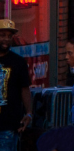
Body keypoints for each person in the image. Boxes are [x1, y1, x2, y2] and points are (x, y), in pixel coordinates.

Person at [0, 20, 31, 151]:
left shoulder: (18, 62)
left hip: (9, 125)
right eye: (3, 35)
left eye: (9, 36)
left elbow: (25, 90)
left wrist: (29, 113)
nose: (6, 39)